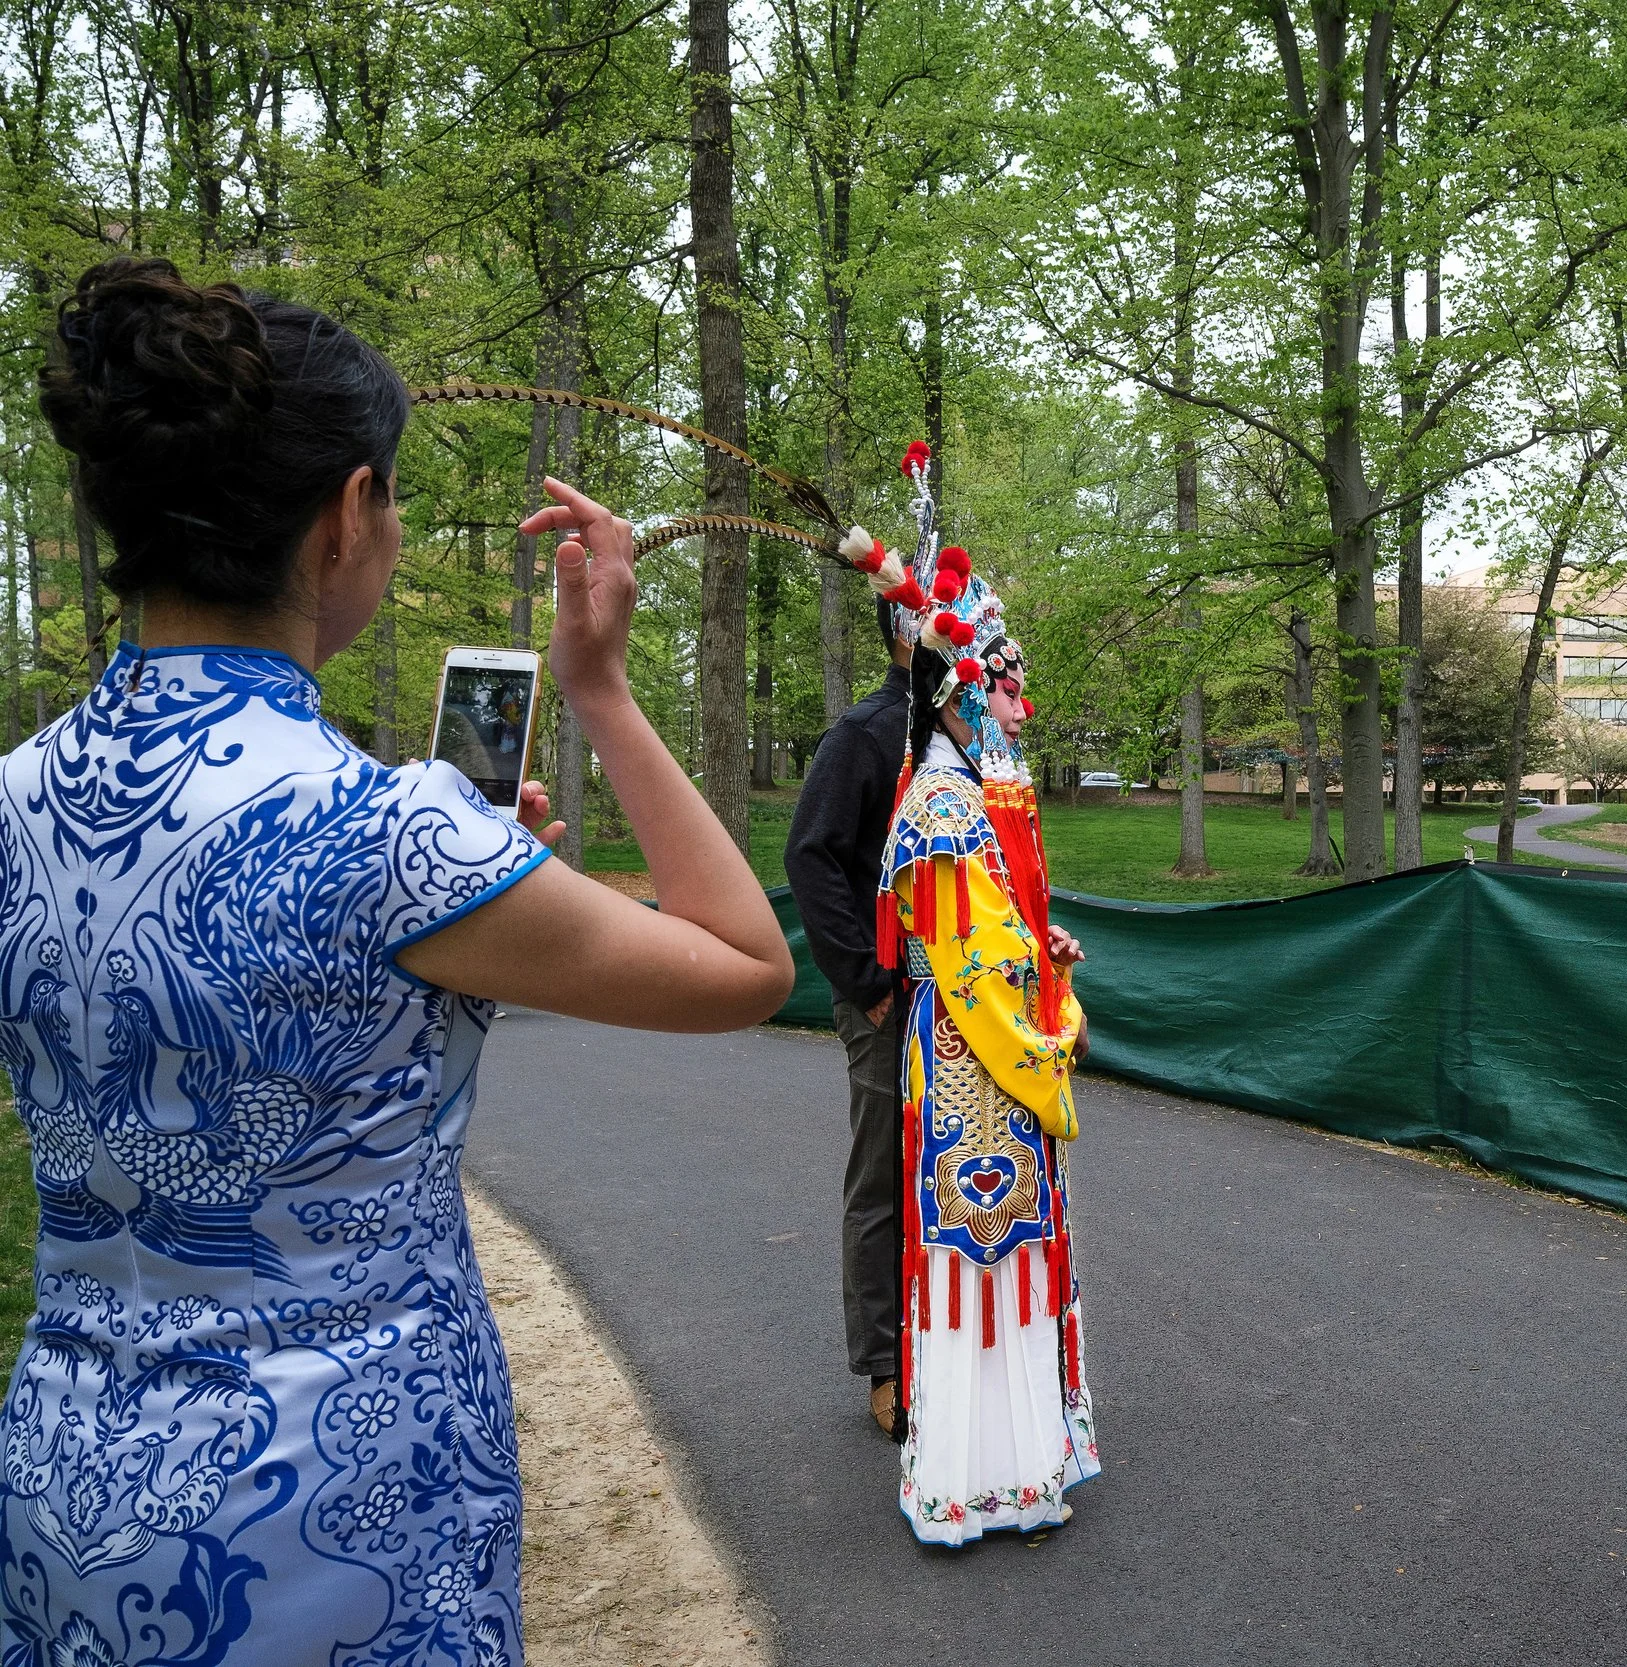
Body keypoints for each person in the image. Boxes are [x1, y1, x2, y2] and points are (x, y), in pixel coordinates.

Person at [5, 255, 792, 1662]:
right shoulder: (388, 831)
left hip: (66, 1482)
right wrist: (600, 687)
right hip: (335, 1506)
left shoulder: (13, 800)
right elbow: (743, 958)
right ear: (348, 512)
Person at [875, 463, 1096, 1544]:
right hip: (976, 1055)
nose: (1023, 698)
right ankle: (977, 1473)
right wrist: (1047, 1030)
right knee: (981, 1243)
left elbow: (988, 930)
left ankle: (1024, 1455)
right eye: (1007, 681)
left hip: (982, 1048)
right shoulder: (944, 805)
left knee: (1012, 1243)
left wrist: (1035, 949)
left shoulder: (967, 793)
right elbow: (966, 963)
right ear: (965, 691)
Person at [785, 598, 918, 1436]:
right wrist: (867, 980)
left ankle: (954, 1346)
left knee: (955, 1171)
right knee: (881, 1174)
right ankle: (885, 1364)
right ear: (907, 633)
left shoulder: (961, 740)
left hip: (963, 1002)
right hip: (885, 1001)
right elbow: (810, 855)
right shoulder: (866, 734)